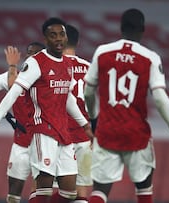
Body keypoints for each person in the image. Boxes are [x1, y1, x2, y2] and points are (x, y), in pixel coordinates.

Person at [83, 8, 169, 203]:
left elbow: (88, 91)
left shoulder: (102, 52)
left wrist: (94, 119)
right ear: (143, 29)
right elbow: (159, 98)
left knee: (99, 191)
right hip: (137, 134)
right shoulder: (150, 57)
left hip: (107, 131)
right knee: (143, 188)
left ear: (121, 27)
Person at [0, 17, 93, 203]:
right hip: (43, 132)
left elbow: (68, 98)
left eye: (61, 34)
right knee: (43, 189)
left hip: (63, 133)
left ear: (66, 37)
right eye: (53, 35)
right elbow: (13, 93)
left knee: (70, 193)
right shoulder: (36, 62)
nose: (58, 39)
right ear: (46, 39)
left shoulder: (67, 64)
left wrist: (85, 124)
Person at [0, 42, 46, 203]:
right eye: (29, 52)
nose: (30, 56)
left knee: (39, 190)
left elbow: (13, 87)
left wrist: (12, 65)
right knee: (14, 190)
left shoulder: (46, 81)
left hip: (42, 143)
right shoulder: (14, 76)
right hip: (20, 144)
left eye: (35, 53)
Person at [64, 24, 93, 203]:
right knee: (81, 191)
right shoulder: (89, 68)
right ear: (77, 42)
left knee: (52, 189)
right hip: (84, 137)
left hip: (59, 137)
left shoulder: (53, 67)